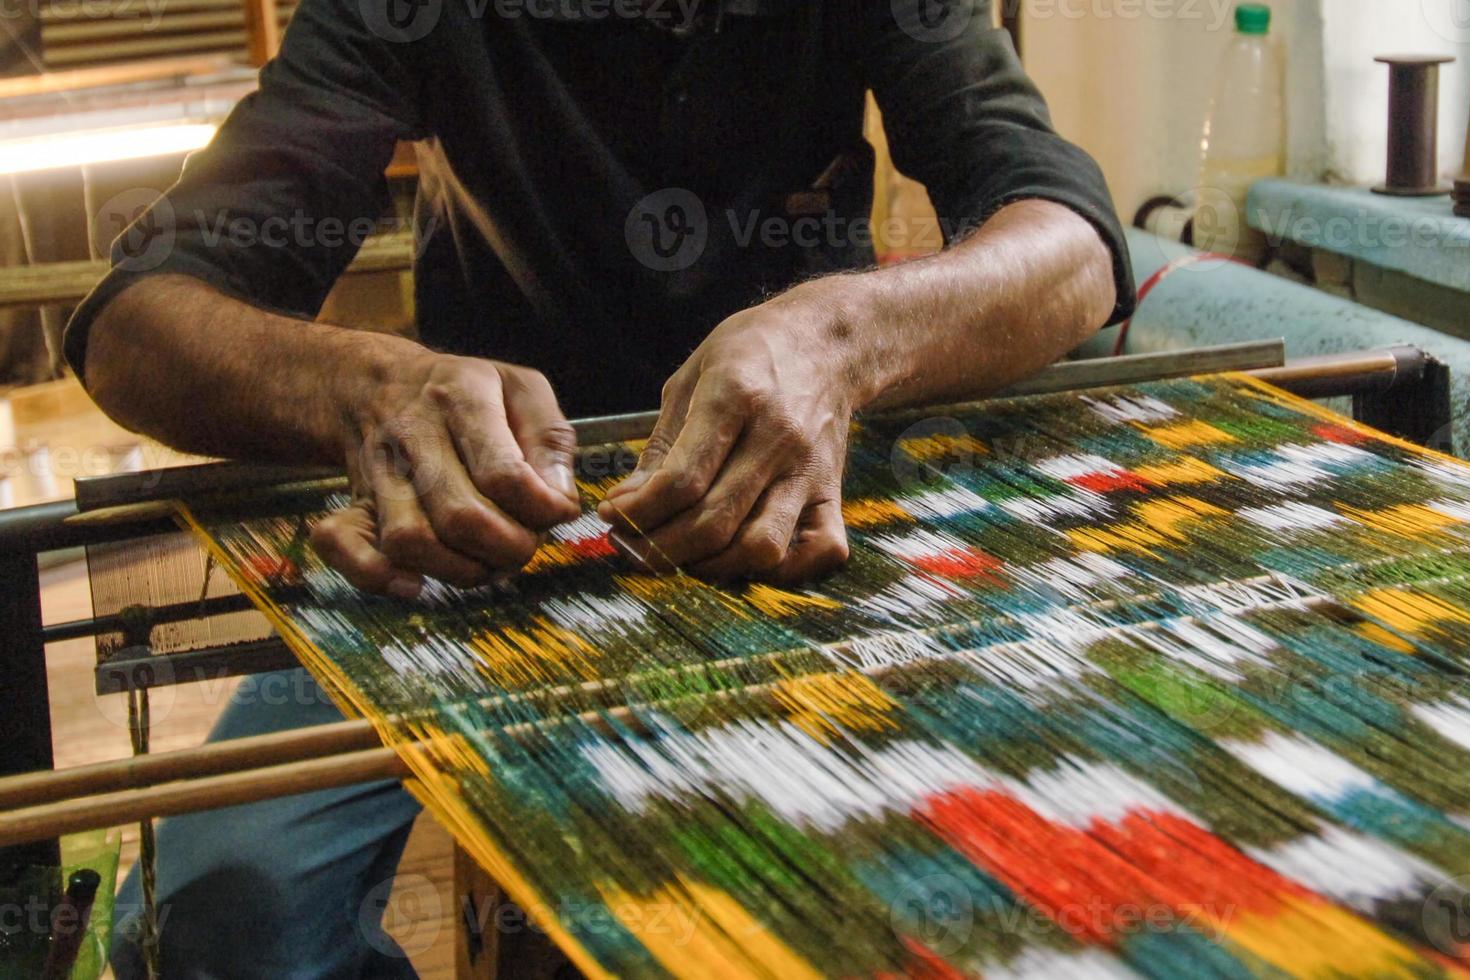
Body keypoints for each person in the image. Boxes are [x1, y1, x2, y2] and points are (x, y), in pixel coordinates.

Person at [71, 0, 1134, 974]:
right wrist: (361, 391)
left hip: (803, 494)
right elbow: (130, 326)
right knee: (220, 918)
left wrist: (841, 338)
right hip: (485, 526)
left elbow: (1071, 241)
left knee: (1013, 861)